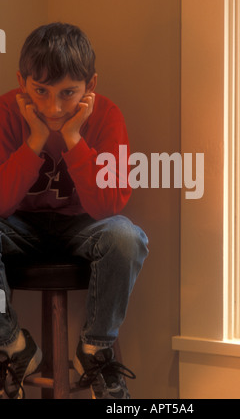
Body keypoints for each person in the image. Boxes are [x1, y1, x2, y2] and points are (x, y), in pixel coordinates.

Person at [0, 22, 149, 399]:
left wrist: (73, 138)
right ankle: (13, 347)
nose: (54, 107)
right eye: (40, 92)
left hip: (82, 228)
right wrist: (34, 142)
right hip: (19, 228)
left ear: (90, 85)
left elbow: (107, 205)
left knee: (127, 237)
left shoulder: (107, 116)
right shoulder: (5, 113)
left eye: (68, 93)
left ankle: (96, 350)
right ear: (22, 82)